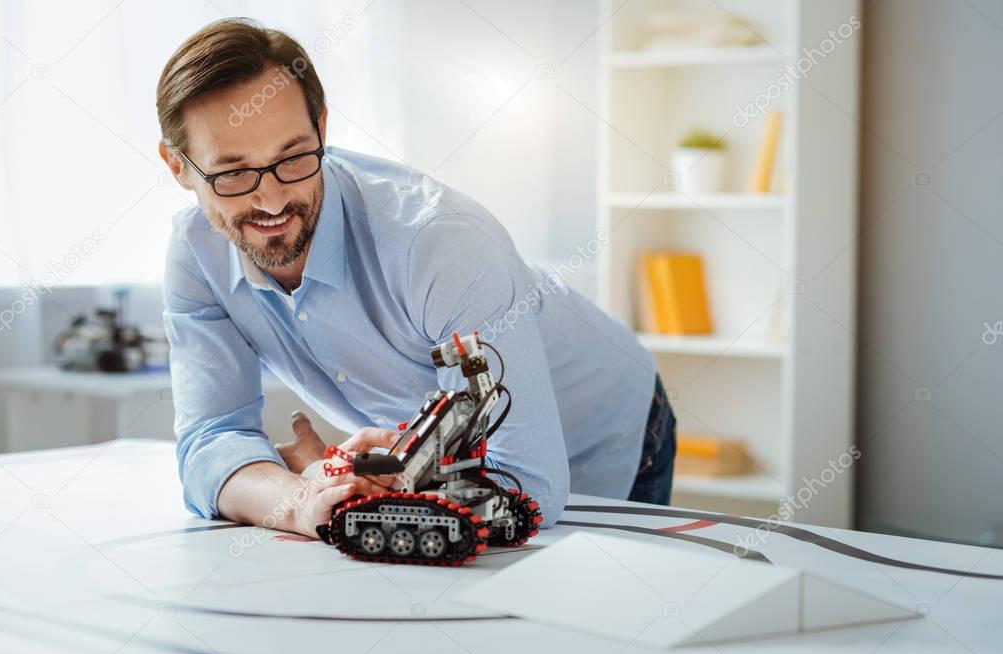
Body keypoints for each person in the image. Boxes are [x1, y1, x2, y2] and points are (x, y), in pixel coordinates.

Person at [157, 18, 675, 538]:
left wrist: (339, 476)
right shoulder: (196, 254)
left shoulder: (438, 244)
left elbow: (524, 483)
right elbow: (211, 439)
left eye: (293, 157)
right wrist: (302, 498)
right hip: (454, 461)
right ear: (178, 166)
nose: (271, 200)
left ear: (322, 126)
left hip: (605, 427)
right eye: (233, 174)